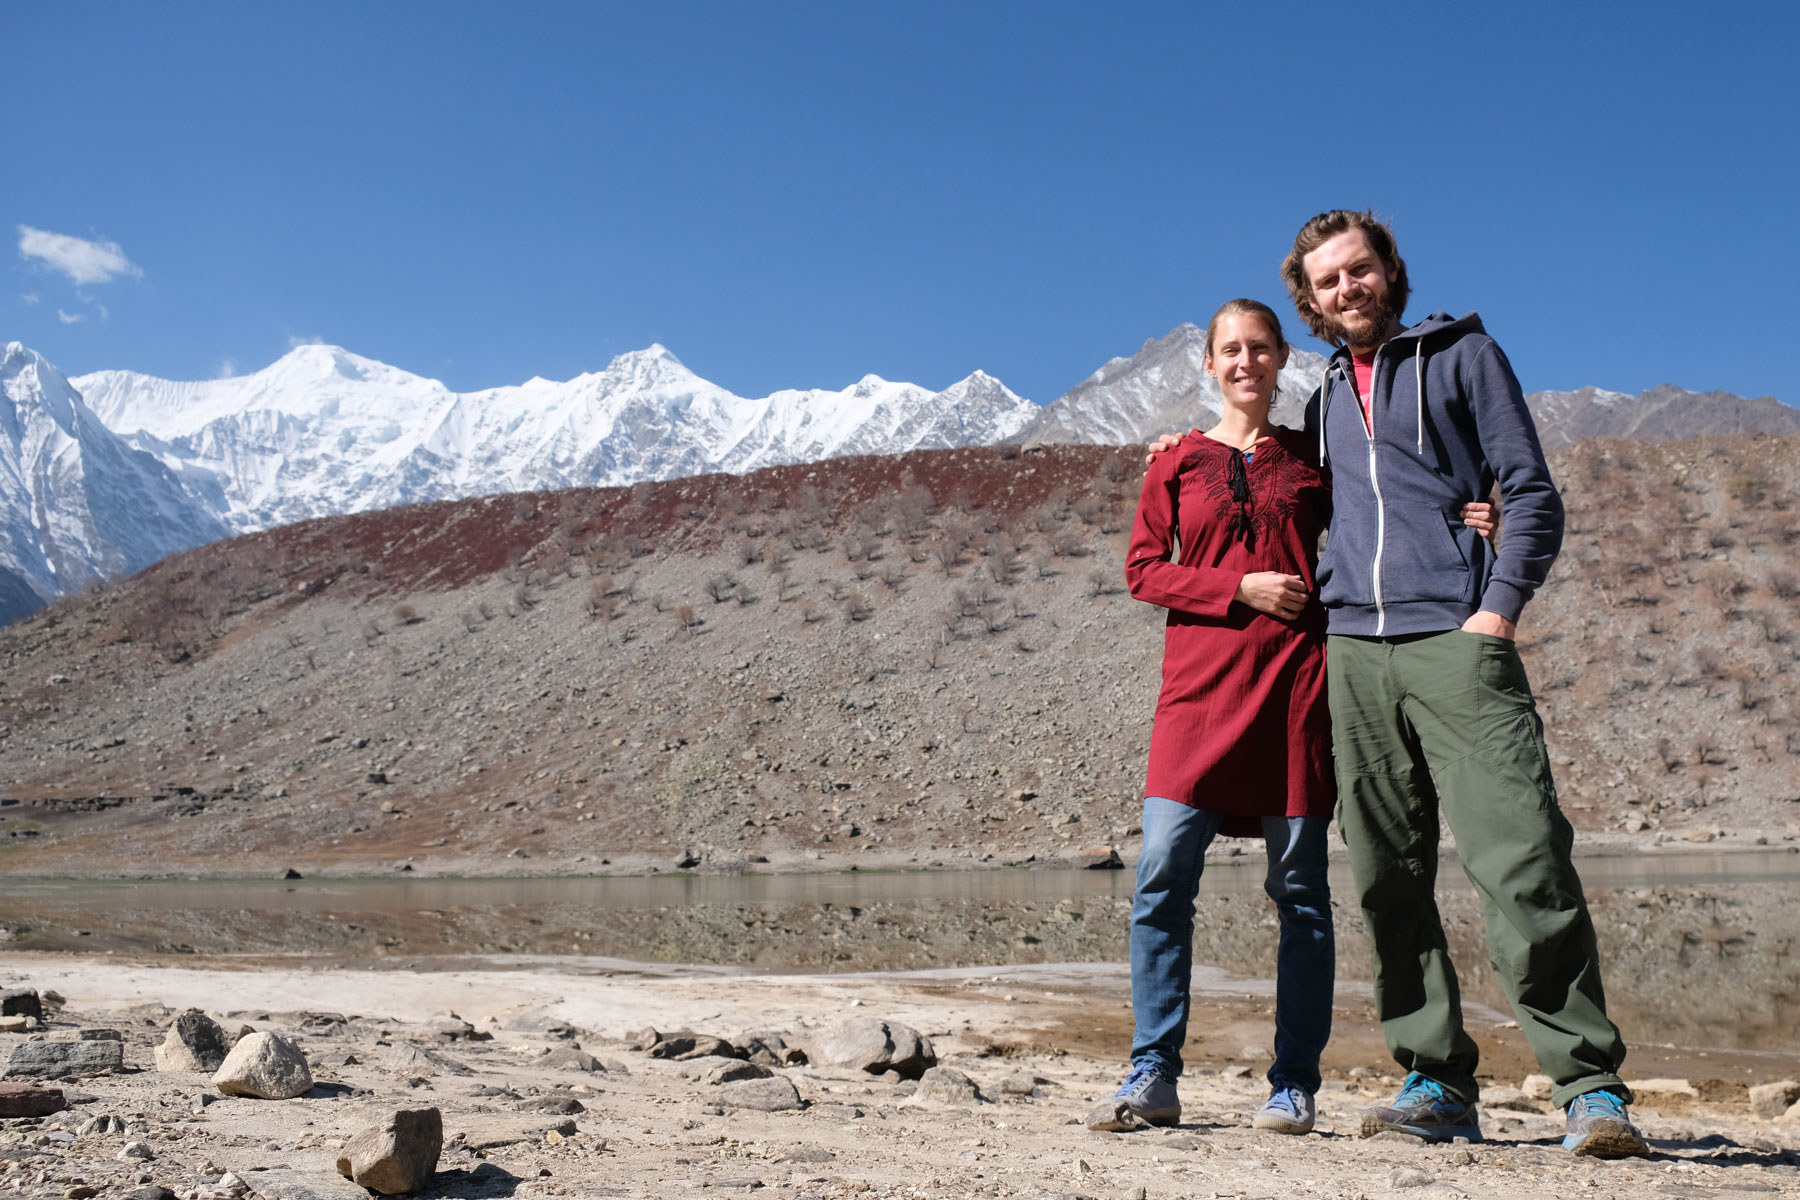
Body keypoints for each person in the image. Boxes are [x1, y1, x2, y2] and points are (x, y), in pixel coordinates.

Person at [1147, 210, 1645, 1156]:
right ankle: (1436, 1078)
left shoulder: (1463, 356)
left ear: (1388, 273)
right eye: (1328, 282)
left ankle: (1587, 1085)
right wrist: (1174, 456)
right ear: (1312, 303)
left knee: (1522, 859)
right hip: (1351, 654)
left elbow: (1529, 490)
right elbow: (1264, 478)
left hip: (1455, 641)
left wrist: (1494, 610)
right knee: (1388, 878)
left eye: (1359, 270)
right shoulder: (1327, 396)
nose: (1347, 289)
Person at [1094, 299, 1496, 1137]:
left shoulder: (1316, 458)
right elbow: (1142, 572)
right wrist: (1233, 588)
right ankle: (1153, 1069)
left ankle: (1292, 1082)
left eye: (1259, 348)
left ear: (1281, 359)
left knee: (1302, 894)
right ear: (1208, 363)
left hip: (1294, 691)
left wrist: (1469, 514)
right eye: (1229, 350)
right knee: (1162, 876)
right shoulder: (1174, 462)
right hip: (1195, 696)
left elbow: (1392, 504)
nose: (1244, 361)